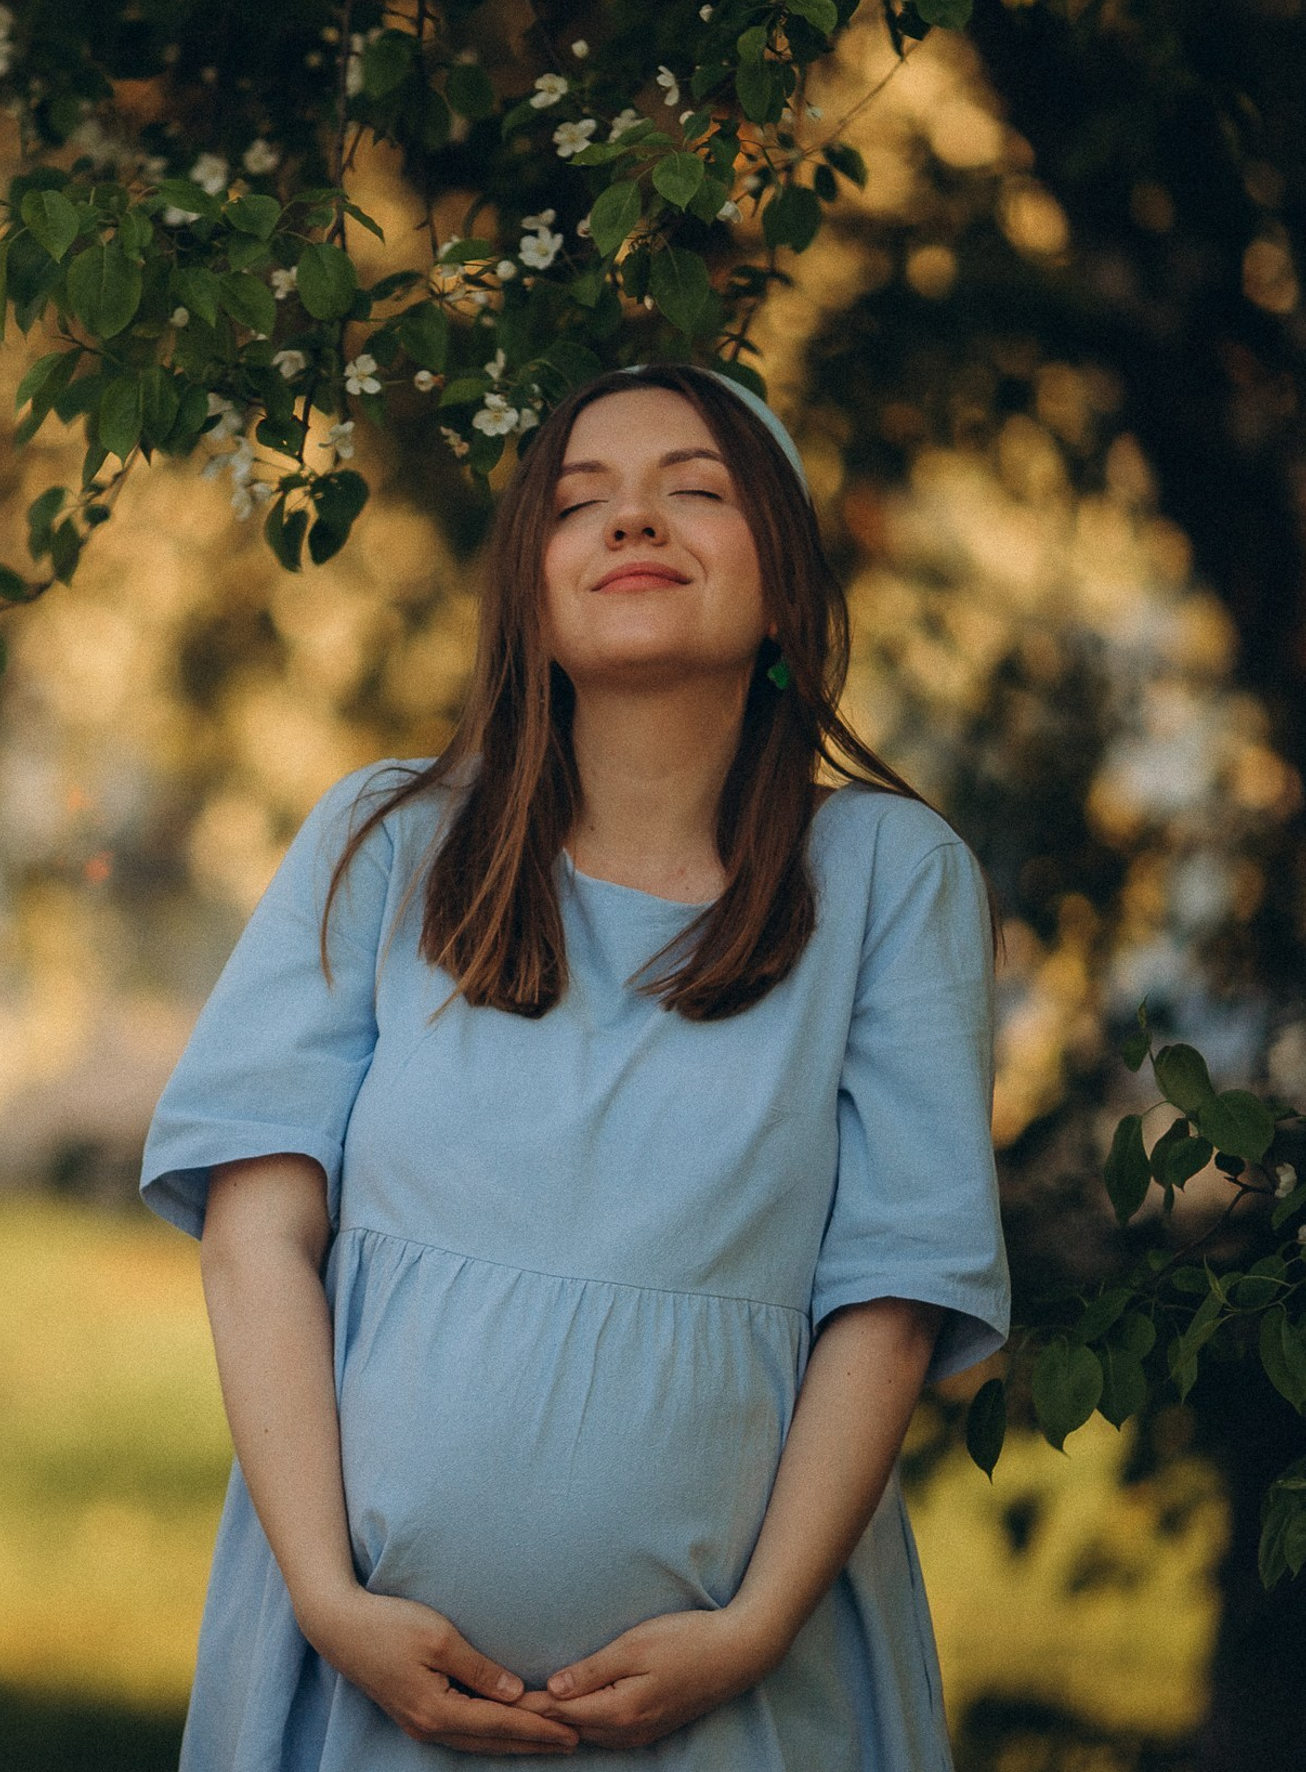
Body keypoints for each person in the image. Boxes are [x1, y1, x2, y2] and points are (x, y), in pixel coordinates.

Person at [139, 361, 1011, 1768]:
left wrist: (755, 1627)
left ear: (783, 583)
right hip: (364, 1692)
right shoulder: (390, 843)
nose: (635, 521)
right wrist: (325, 1595)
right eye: (581, 500)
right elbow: (255, 1233)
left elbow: (894, 1300)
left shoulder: (887, 881)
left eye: (699, 490)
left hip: (741, 1702)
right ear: (527, 600)